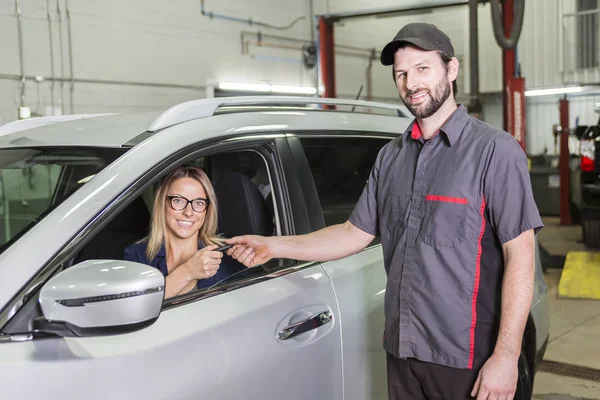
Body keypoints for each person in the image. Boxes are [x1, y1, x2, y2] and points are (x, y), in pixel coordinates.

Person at [227, 23, 543, 400]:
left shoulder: (494, 152)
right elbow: (352, 233)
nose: (411, 83)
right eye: (401, 73)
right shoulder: (391, 157)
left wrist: (506, 356)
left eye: (423, 68)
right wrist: (274, 246)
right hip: (402, 352)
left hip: (467, 360)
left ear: (451, 69)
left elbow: (520, 256)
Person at [125, 165, 244, 299]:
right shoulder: (137, 257)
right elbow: (134, 307)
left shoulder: (227, 256)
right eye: (178, 201)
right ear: (162, 203)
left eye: (199, 203)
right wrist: (187, 272)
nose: (188, 212)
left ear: (207, 210)